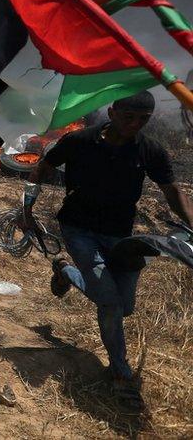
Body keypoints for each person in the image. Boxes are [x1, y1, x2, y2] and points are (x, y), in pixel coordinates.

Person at [24, 91, 193, 411]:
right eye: (129, 117)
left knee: (124, 306)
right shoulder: (79, 141)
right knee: (111, 302)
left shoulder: (149, 150)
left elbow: (172, 191)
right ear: (112, 112)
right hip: (79, 230)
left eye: (143, 120)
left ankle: (66, 272)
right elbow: (42, 167)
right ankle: (120, 373)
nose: (135, 125)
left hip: (120, 236)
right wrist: (27, 210)